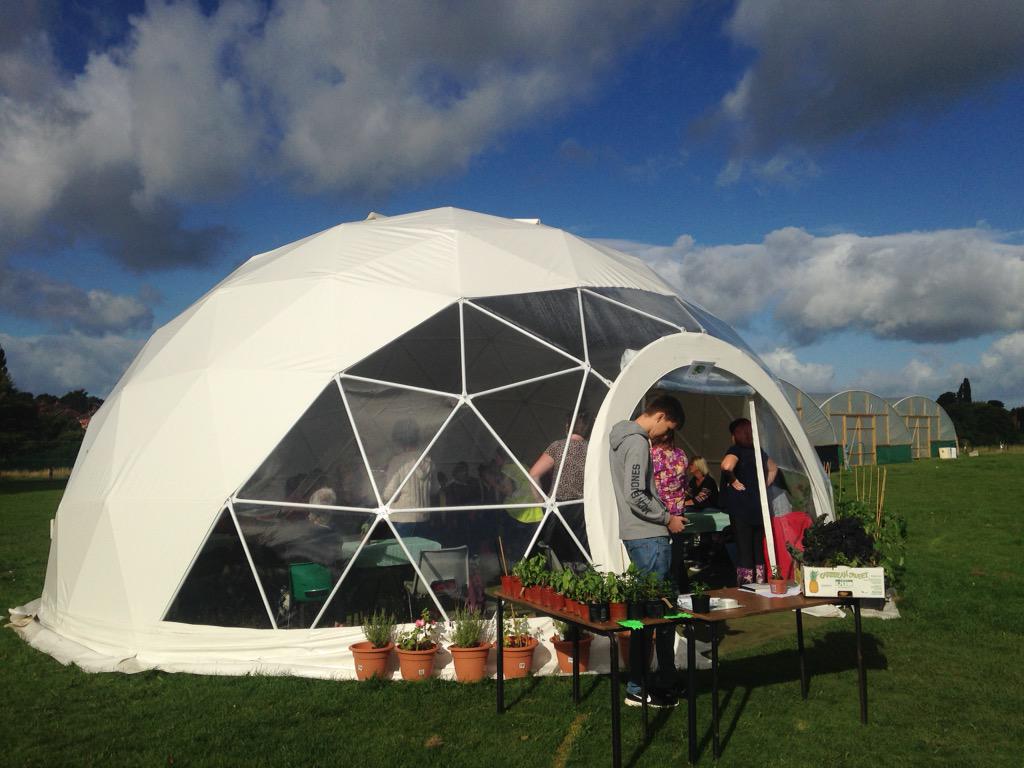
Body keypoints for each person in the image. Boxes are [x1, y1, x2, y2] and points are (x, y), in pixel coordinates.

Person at [609, 394, 686, 708]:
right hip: (649, 538)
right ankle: (642, 686)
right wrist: (668, 518)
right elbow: (636, 494)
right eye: (668, 426)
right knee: (656, 614)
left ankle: (645, 682)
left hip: (634, 535)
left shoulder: (619, 438)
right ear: (660, 415)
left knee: (640, 613)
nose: (665, 434)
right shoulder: (638, 442)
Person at [720, 418, 777, 585]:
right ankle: (760, 582)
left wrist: (734, 482)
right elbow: (774, 468)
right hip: (758, 505)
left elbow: (726, 466)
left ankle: (746, 585)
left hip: (741, 507)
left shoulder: (736, 450)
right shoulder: (758, 451)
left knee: (744, 547)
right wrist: (763, 485)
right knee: (757, 547)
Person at [528, 409, 592, 558]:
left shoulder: (558, 446)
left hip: (558, 508)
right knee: (581, 554)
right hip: (583, 509)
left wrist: (541, 502)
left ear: (567, 425)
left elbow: (534, 474)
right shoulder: (592, 448)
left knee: (557, 555)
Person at [650, 428, 689, 593]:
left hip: (658, 514)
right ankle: (679, 591)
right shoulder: (681, 455)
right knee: (676, 558)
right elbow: (686, 484)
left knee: (659, 558)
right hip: (678, 514)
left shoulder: (652, 455)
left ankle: (663, 593)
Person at [383, 418, 435, 534]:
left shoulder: (397, 461)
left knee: (400, 552)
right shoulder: (428, 461)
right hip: (424, 518)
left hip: (402, 519)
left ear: (399, 439)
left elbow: (389, 495)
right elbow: (434, 490)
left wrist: (383, 479)